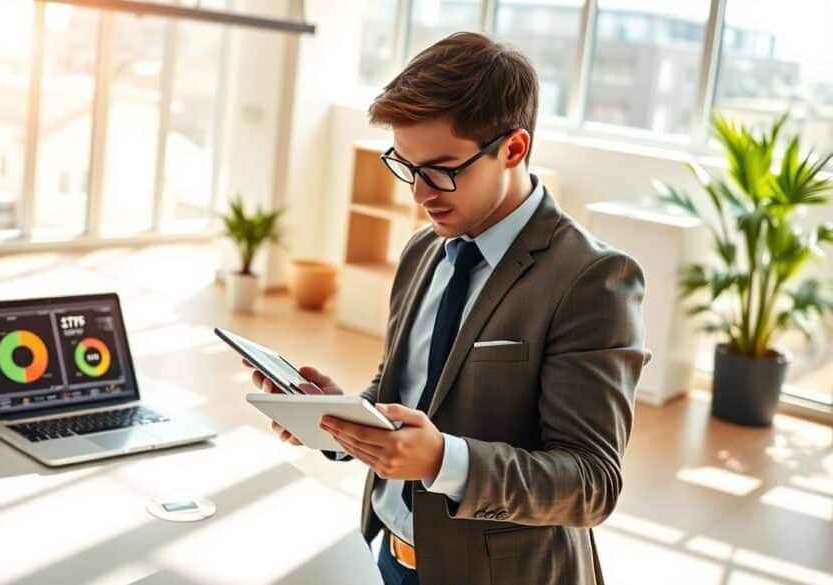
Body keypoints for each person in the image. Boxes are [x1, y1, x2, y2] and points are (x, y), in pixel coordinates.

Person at [242, 31, 650, 584]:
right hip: (388, 552)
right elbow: (402, 392)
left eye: (442, 169)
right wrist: (335, 417)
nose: (419, 192)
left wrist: (441, 462)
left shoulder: (591, 280)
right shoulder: (422, 251)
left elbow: (591, 483)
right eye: (406, 166)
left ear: (513, 148)